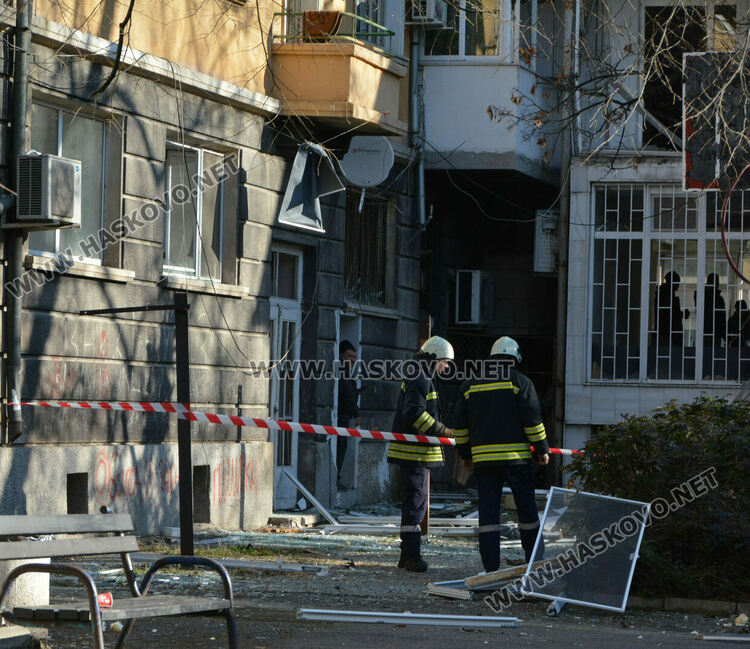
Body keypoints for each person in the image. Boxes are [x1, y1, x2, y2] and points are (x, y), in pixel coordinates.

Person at [452, 336, 549, 573]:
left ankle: (490, 569)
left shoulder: (470, 385)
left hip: (484, 462)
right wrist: (542, 449)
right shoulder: (520, 382)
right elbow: (532, 420)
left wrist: (466, 455)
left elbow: (460, 427)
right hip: (516, 460)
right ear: (515, 358)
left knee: (488, 516)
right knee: (526, 511)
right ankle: (534, 562)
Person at [387, 335, 454, 572]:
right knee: (415, 505)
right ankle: (412, 556)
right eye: (445, 361)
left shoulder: (419, 375)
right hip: (415, 454)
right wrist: (442, 431)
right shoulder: (420, 377)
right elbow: (414, 413)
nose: (446, 367)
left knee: (414, 504)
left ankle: (407, 555)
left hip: (414, 454)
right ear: (434, 357)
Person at [336, 340, 361, 490]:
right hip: (341, 417)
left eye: (354, 357)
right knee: (340, 448)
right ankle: (336, 479)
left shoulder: (345, 369)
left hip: (344, 416)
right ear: (341, 355)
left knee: (342, 447)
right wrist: (356, 413)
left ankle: (337, 478)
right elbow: (347, 394)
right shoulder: (342, 369)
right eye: (348, 356)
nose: (352, 360)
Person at [655, 271, 689, 349]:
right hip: (667, 333)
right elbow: (668, 312)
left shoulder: (665, 294)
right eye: (677, 282)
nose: (678, 285)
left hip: (670, 333)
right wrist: (682, 314)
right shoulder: (665, 295)